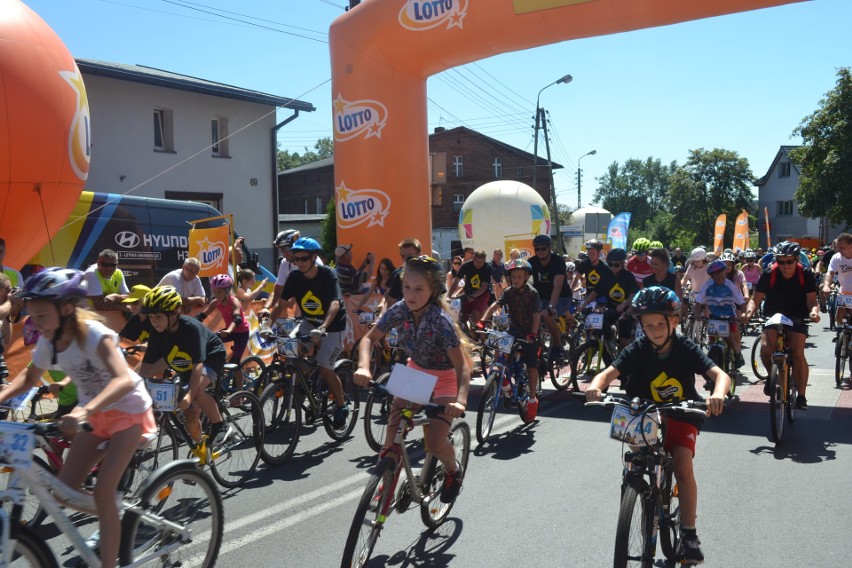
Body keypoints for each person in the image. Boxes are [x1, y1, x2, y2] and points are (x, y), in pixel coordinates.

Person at [0, 268, 155, 568]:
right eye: (32, 315)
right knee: (63, 493)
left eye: (42, 315)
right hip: (95, 415)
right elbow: (28, 377)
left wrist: (84, 409)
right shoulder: (50, 340)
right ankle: (121, 515)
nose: (36, 323)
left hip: (128, 412)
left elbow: (123, 379)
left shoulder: (96, 335)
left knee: (103, 491)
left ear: (67, 308)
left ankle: (110, 552)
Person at [586, 286, 730, 566]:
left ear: (674, 321)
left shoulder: (685, 347)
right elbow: (609, 372)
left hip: (681, 413)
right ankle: (636, 490)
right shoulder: (638, 349)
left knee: (682, 465)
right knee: (636, 460)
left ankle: (689, 533)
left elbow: (718, 374)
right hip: (643, 413)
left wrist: (717, 394)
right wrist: (595, 386)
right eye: (647, 325)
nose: (654, 330)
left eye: (660, 324)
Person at [353, 255, 470, 502]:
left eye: (419, 289)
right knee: (392, 434)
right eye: (407, 287)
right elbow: (368, 339)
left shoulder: (441, 322)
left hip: (445, 377)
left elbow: (461, 367)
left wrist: (459, 400)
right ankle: (385, 482)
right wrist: (364, 367)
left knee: (435, 443)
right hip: (415, 371)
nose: (411, 294)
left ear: (433, 291)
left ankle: (453, 470)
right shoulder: (399, 310)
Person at [265, 237, 351, 427]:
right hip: (309, 321)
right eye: (295, 259)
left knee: (324, 367)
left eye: (303, 258)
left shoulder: (327, 275)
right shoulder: (295, 277)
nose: (298, 263)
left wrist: (322, 327)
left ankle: (341, 405)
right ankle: (302, 387)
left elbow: (335, 303)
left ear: (314, 257)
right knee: (290, 352)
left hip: (333, 326)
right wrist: (268, 325)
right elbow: (281, 303)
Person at [138, 286, 232, 445]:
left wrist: (189, 394)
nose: (154, 322)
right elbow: (146, 367)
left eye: (158, 317)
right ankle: (201, 450)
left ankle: (220, 426)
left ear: (174, 313)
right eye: (151, 317)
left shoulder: (191, 328)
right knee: (190, 415)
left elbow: (197, 365)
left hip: (210, 356)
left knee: (194, 392)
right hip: (180, 358)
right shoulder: (156, 332)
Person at [744, 241, 820, 408]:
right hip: (773, 315)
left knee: (797, 354)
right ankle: (773, 377)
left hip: (797, 316)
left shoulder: (805, 273)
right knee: (765, 350)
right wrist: (748, 313)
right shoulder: (769, 273)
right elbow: (755, 300)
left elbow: (812, 301)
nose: (785, 266)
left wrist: (814, 312)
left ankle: (801, 396)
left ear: (796, 260)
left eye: (790, 261)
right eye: (781, 261)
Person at [477, 258, 542, 419]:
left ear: (526, 277)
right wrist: (482, 320)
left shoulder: (532, 293)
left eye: (519, 277)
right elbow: (495, 305)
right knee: (500, 356)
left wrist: (533, 333)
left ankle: (532, 399)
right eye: (513, 277)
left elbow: (536, 315)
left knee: (531, 366)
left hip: (530, 334)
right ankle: (505, 385)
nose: (516, 280)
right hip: (513, 331)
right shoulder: (508, 292)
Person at [196, 274, 250, 391]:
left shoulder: (234, 301)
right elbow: (201, 316)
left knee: (235, 363)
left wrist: (229, 330)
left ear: (227, 291)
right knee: (208, 344)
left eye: (219, 292)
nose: (216, 294)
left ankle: (240, 392)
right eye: (214, 291)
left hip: (241, 331)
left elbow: (237, 319)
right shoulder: (216, 302)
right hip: (228, 330)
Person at [580, 248, 639, 348]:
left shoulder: (628, 276)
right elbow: (595, 292)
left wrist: (624, 303)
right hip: (611, 308)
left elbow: (633, 294)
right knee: (599, 328)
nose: (613, 268)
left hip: (626, 309)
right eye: (610, 264)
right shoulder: (606, 275)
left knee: (623, 341)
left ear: (623, 263)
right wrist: (583, 304)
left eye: (616, 265)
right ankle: (609, 339)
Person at [695, 259, 747, 372]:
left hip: (729, 317)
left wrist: (743, 313)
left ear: (725, 273)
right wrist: (697, 314)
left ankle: (737, 355)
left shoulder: (730, 285)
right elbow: (698, 302)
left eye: (722, 277)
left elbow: (741, 301)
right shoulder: (707, 285)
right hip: (714, 318)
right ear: (711, 277)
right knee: (712, 344)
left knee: (729, 339)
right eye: (717, 278)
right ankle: (712, 373)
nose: (720, 280)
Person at [528, 234, 572, 358]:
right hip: (541, 298)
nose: (540, 251)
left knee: (548, 315)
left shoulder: (558, 262)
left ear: (549, 248)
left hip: (562, 297)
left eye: (543, 248)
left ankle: (558, 347)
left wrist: (551, 306)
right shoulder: (531, 262)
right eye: (537, 249)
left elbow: (557, 287)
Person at [448, 249, 493, 332]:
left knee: (476, 311)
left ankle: (481, 335)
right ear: (473, 259)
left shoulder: (488, 267)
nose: (479, 264)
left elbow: (484, 286)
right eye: (477, 262)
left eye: (481, 262)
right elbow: (456, 281)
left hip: (482, 293)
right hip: (468, 292)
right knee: (462, 316)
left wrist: (473, 296)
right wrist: (449, 295)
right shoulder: (466, 266)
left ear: (484, 261)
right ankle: (466, 333)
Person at [824, 233, 852, 328]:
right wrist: (826, 286)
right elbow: (830, 273)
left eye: (842, 248)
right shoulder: (836, 257)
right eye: (837, 247)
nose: (839, 250)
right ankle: (840, 334)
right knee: (840, 311)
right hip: (845, 291)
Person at [385, 238, 422, 305]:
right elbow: (390, 302)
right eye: (402, 256)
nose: (405, 259)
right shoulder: (398, 275)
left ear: (419, 255)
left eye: (410, 256)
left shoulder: (429, 274)